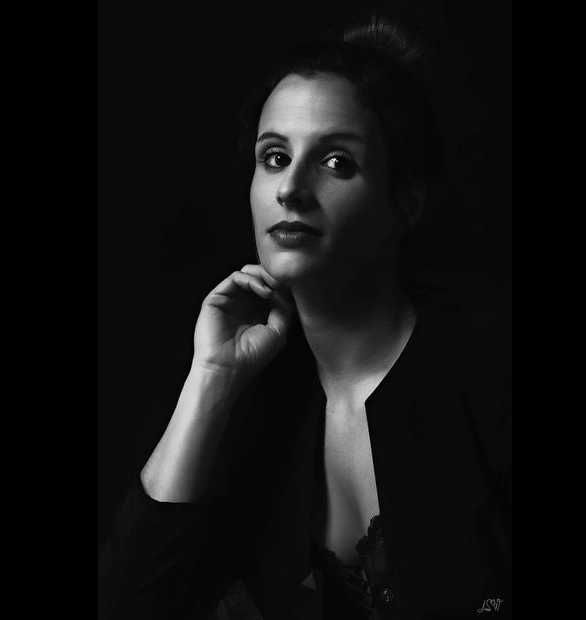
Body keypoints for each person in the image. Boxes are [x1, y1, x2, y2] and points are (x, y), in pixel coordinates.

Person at [99, 14, 512, 620]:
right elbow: (129, 606)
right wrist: (210, 380)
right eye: (274, 157)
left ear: (405, 202)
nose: (290, 189)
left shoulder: (489, 371)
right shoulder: (256, 390)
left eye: (337, 162)